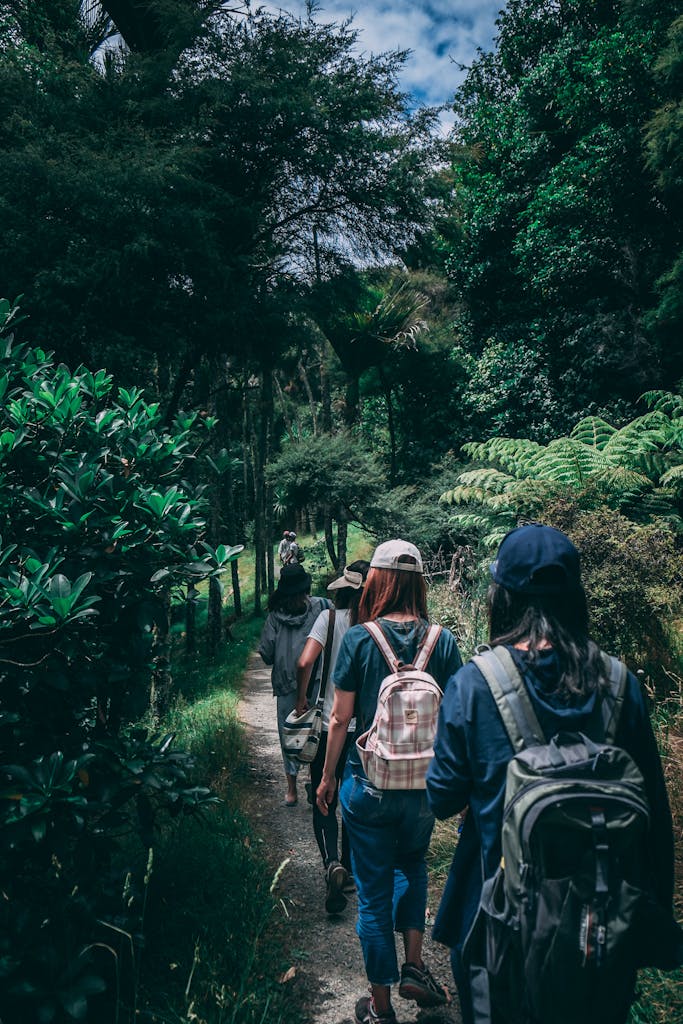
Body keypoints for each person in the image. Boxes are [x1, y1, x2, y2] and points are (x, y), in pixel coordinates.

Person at [426, 523, 677, 1024]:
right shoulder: (619, 684)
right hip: (599, 930)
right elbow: (655, 816)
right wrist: (652, 921)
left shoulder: (475, 684)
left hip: (498, 929)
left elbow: (443, 797)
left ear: (502, 598)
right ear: (575, 598)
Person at [316, 539, 463, 1024]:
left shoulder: (361, 638)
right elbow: (457, 717)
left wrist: (327, 777)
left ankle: (380, 1009)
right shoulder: (442, 640)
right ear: (419, 584)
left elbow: (340, 719)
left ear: (375, 581)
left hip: (369, 782)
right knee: (413, 864)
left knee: (373, 896)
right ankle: (414, 966)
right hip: (424, 786)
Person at [296, 560, 370, 915]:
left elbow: (304, 662)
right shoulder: (374, 625)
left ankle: (331, 862)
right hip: (365, 731)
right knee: (352, 798)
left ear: (342, 590)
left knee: (323, 796)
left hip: (329, 725)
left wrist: (301, 699)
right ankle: (351, 870)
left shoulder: (328, 619)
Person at [258, 563, 331, 806]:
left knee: (292, 733)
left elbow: (266, 654)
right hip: (314, 682)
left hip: (292, 683)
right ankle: (305, 781)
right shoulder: (322, 607)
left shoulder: (277, 615)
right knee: (313, 731)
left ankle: (295, 789)